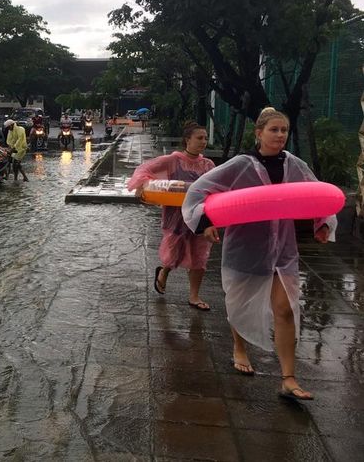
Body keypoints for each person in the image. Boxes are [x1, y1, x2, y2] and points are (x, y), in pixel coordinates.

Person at [182, 107, 337, 400]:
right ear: (259, 133)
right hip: (246, 246)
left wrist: (323, 224)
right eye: (274, 130)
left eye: (284, 131)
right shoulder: (241, 165)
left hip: (283, 250)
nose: (280, 136)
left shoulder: (294, 164)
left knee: (285, 309)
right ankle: (240, 347)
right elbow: (199, 191)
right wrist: (206, 223)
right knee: (240, 304)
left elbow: (316, 192)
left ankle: (288, 379)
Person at [127, 121, 215, 311]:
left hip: (200, 216)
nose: (203, 142)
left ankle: (194, 296)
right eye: (199, 138)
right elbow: (145, 168)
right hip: (177, 215)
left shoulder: (208, 165)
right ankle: (164, 271)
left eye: (205, 138)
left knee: (200, 256)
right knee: (174, 253)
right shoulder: (173, 160)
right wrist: (143, 185)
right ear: (187, 140)